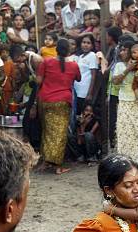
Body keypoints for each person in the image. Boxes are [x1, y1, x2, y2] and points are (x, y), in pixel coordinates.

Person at [37, 37, 80, 174]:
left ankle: (45, 162)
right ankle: (57, 166)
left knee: (47, 131)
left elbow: (38, 81)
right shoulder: (73, 65)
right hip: (63, 101)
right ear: (69, 51)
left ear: (56, 49)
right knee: (60, 134)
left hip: (45, 100)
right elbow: (78, 78)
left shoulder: (46, 62)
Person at [113, 39, 138, 166]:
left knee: (137, 132)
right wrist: (128, 69)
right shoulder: (119, 66)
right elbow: (115, 81)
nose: (121, 53)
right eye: (120, 50)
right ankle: (124, 162)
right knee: (123, 132)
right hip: (124, 102)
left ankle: (137, 162)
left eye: (124, 50)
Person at [74, 33, 98, 114]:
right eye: (84, 42)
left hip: (84, 91)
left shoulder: (92, 56)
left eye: (88, 43)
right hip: (77, 89)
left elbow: (93, 76)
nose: (85, 45)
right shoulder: (80, 57)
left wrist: (90, 93)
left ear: (92, 45)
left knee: (82, 115)